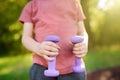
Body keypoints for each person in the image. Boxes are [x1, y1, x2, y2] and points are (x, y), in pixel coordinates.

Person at [19, 0, 88, 80]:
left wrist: (84, 43)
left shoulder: (74, 3)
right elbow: (26, 37)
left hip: (74, 68)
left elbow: (82, 32)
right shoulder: (31, 6)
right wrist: (38, 47)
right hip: (42, 67)